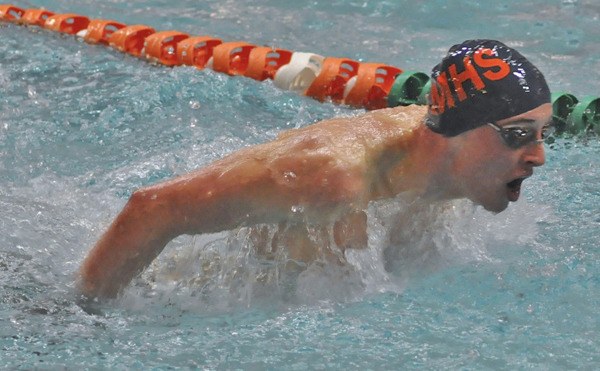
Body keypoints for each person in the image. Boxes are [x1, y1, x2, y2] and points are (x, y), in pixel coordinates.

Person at [78, 39, 554, 299]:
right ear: (459, 132)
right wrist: (81, 316)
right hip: (186, 288)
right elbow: (153, 207)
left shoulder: (458, 165)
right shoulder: (333, 177)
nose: (538, 157)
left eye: (541, 134)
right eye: (518, 136)